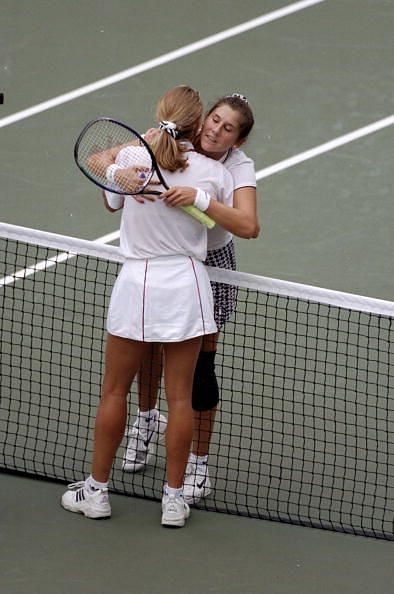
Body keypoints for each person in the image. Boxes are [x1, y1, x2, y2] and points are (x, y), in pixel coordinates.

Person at [60, 85, 234, 528]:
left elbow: (108, 194)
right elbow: (218, 233)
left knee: (115, 390)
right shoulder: (214, 173)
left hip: (137, 282)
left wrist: (140, 155)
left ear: (158, 118)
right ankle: (173, 502)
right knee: (180, 398)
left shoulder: (131, 164)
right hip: (188, 285)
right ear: (198, 126)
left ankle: (96, 492)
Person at [120, 93, 259, 505]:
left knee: (200, 364)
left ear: (238, 141)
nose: (215, 130)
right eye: (214, 120)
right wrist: (119, 173)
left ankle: (198, 462)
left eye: (227, 128)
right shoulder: (172, 139)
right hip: (161, 253)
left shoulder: (237, 167)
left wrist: (202, 200)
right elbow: (105, 157)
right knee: (147, 346)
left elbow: (249, 225)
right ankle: (145, 422)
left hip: (210, 263)